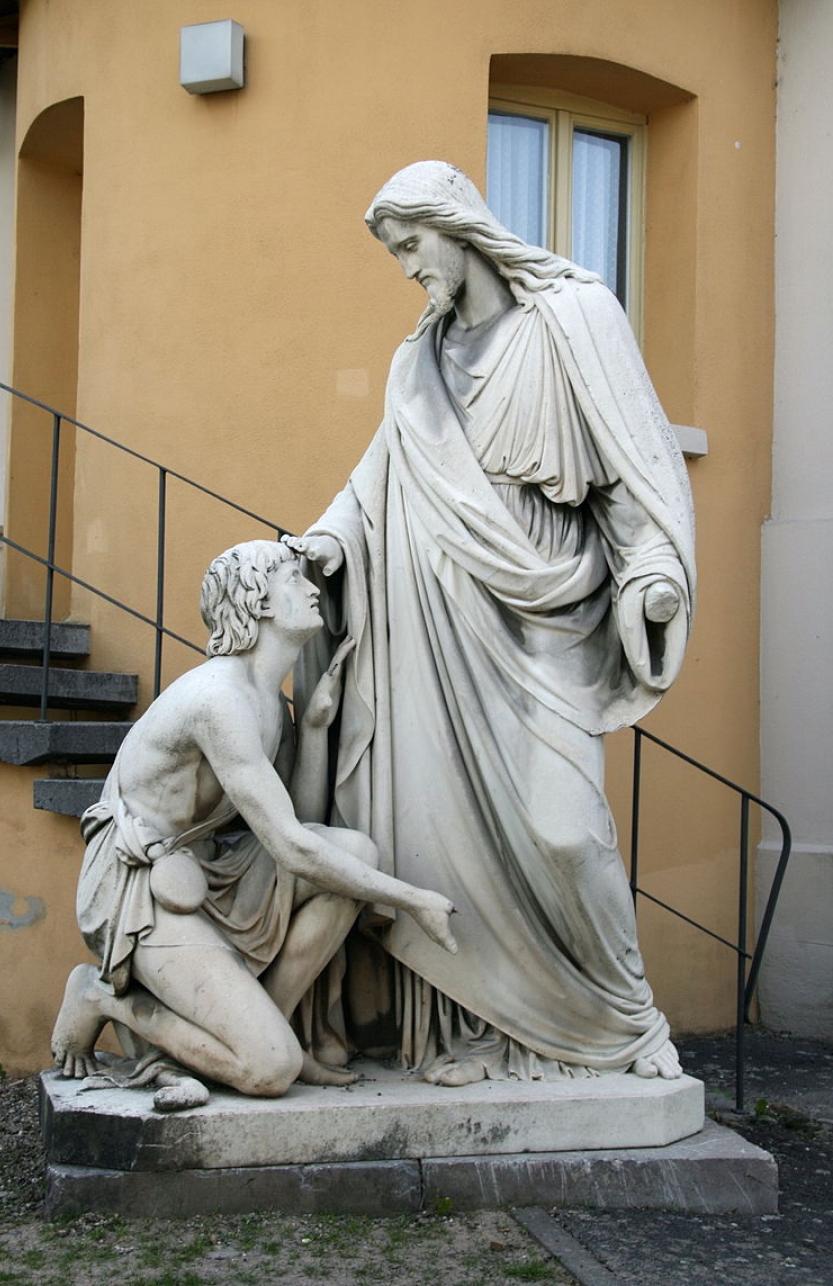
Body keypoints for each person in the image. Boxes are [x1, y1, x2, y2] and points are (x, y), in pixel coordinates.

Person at [290, 161, 696, 1085]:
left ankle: (626, 1024)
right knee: (443, 835)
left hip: (549, 620)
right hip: (437, 624)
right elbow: (377, 480)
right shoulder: (417, 361)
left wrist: (653, 572)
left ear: (454, 224)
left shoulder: (574, 320)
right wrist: (322, 545)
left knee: (564, 831)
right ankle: (482, 1032)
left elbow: (632, 467)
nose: (405, 268)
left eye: (408, 244)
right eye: (393, 252)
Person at [51, 540, 456, 1109]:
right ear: (258, 601)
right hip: (143, 891)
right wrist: (414, 898)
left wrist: (313, 730)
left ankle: (275, 1022)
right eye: (295, 578)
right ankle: (105, 999)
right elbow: (293, 848)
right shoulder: (219, 699)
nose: (313, 588)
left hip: (214, 866)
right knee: (268, 1071)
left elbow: (299, 823)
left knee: (354, 853)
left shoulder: (268, 702)